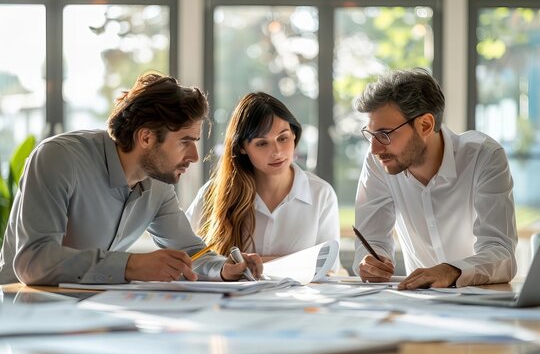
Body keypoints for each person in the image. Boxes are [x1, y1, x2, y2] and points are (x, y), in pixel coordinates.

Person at [0, 73, 262, 285]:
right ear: (146, 138)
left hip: (96, 313)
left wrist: (225, 269)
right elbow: (34, 261)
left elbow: (191, 252)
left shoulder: (159, 181)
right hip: (24, 308)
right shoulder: (59, 157)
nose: (194, 156)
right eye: (185, 142)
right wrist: (130, 265)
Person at [352, 68, 517, 289]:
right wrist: (371, 261)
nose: (374, 148)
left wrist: (451, 270)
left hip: (480, 299)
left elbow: (501, 253)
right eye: (371, 134)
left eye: (384, 134)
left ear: (425, 125)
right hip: (417, 303)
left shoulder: (484, 156)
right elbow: (371, 241)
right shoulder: (379, 162)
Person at [186, 92, 342, 273]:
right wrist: (296, 263)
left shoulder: (321, 193)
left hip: (298, 301)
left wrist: (255, 264)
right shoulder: (213, 193)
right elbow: (188, 259)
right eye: (262, 143)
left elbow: (328, 269)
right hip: (233, 300)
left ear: (294, 135)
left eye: (283, 138)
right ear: (242, 148)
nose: (277, 151)